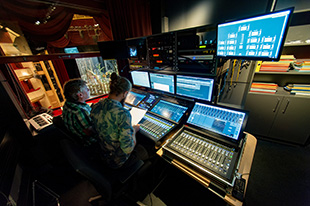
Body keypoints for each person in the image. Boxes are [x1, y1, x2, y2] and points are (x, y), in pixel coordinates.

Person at [91, 72, 147, 169]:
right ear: (125, 93)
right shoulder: (123, 114)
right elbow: (128, 149)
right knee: (147, 151)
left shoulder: (97, 105)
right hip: (117, 161)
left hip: (102, 153)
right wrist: (134, 130)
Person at [62, 78, 97, 147]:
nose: (88, 90)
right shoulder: (79, 112)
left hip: (80, 139)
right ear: (80, 95)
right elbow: (91, 132)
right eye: (87, 89)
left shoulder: (67, 104)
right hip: (92, 143)